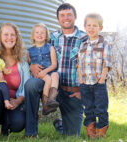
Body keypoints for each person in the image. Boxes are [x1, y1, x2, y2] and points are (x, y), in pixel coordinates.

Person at [24, 3, 88, 137]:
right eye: (62, 15)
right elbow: (37, 50)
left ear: (75, 17)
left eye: (69, 14)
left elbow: (92, 66)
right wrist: (31, 65)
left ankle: (60, 125)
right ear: (58, 19)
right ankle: (31, 132)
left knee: (72, 136)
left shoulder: (84, 38)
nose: (66, 18)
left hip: (72, 91)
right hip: (52, 85)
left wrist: (83, 91)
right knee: (30, 85)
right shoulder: (51, 38)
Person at [78, 13, 111, 138]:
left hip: (98, 83)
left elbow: (106, 63)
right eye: (89, 25)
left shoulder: (104, 44)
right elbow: (80, 64)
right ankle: (91, 133)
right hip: (85, 83)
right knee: (89, 108)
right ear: (85, 27)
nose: (91, 28)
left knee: (101, 108)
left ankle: (101, 133)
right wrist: (81, 80)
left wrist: (102, 79)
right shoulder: (83, 45)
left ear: (100, 28)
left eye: (94, 26)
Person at [27, 23, 59, 115]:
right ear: (33, 36)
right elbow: (29, 64)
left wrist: (45, 71)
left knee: (55, 75)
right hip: (38, 74)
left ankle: (52, 99)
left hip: (49, 71)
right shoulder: (29, 51)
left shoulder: (50, 48)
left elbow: (54, 65)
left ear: (46, 36)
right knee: (48, 79)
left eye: (42, 33)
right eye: (37, 32)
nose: (39, 35)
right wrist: (32, 68)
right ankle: (45, 105)